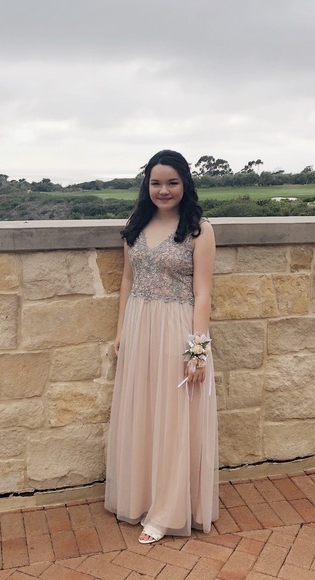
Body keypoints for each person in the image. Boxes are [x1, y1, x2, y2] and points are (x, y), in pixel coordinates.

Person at [104, 149, 219, 544]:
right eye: (156, 182)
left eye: (172, 182)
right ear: (147, 185)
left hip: (177, 329)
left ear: (185, 183)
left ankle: (168, 511)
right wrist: (121, 330)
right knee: (144, 412)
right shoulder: (136, 224)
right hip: (139, 326)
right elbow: (127, 280)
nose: (163, 190)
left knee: (173, 417)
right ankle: (140, 498)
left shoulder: (199, 230)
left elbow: (203, 293)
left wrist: (197, 350)